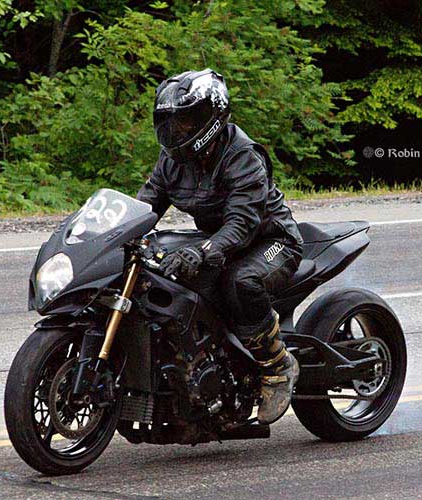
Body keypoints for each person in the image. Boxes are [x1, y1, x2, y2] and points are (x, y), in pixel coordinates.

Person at [136, 69, 303, 424]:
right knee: (157, 270)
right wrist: (116, 234)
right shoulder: (172, 160)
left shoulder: (241, 155)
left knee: (240, 281)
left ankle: (277, 366)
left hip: (272, 241)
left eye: (185, 121)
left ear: (212, 116)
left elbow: (242, 224)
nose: (176, 130)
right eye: (170, 121)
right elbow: (146, 205)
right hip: (223, 239)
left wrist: (202, 251)